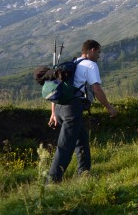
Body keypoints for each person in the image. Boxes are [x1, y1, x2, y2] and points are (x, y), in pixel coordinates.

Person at [48, 39, 117, 183]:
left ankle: (84, 174)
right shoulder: (90, 65)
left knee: (82, 140)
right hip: (72, 109)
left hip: (60, 108)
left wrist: (53, 113)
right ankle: (52, 182)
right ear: (91, 50)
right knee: (65, 146)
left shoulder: (72, 63)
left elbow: (56, 88)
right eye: (98, 52)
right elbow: (97, 89)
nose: (99, 56)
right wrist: (109, 107)